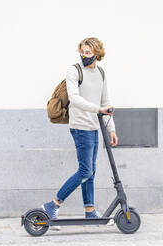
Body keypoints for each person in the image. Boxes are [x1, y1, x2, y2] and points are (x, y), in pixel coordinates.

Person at [42, 37, 118, 229]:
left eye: (88, 52)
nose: (84, 55)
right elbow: (74, 99)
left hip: (94, 126)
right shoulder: (74, 71)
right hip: (80, 126)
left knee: (90, 172)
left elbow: (105, 102)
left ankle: (90, 210)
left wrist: (112, 129)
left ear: (97, 54)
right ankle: (53, 204)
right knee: (85, 170)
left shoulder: (100, 72)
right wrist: (97, 110)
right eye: (82, 52)